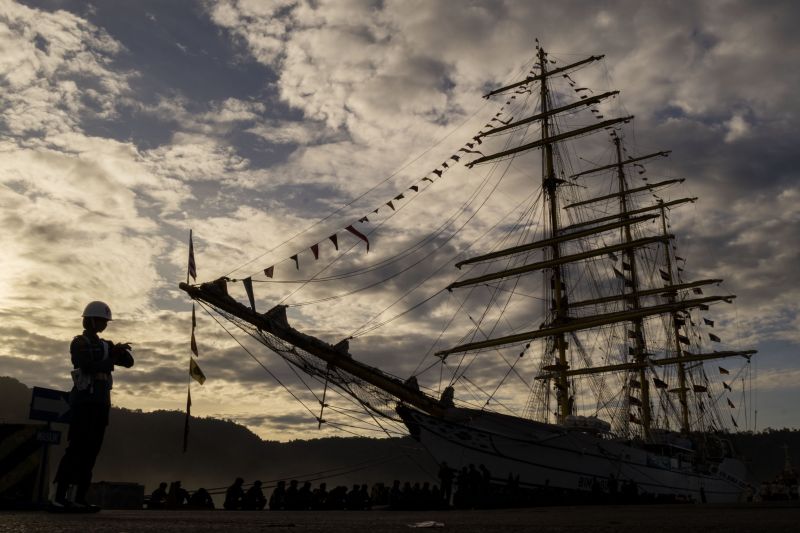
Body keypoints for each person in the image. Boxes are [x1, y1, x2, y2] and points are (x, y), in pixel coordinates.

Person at [52, 301, 134, 510]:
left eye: (105, 322)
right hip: (83, 403)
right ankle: (59, 495)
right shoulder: (79, 342)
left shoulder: (106, 345)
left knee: (91, 451)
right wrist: (112, 357)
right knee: (77, 448)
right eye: (100, 320)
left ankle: (79, 497)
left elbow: (129, 362)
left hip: (101, 404)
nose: (103, 325)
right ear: (89, 320)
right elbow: (86, 365)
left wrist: (118, 352)